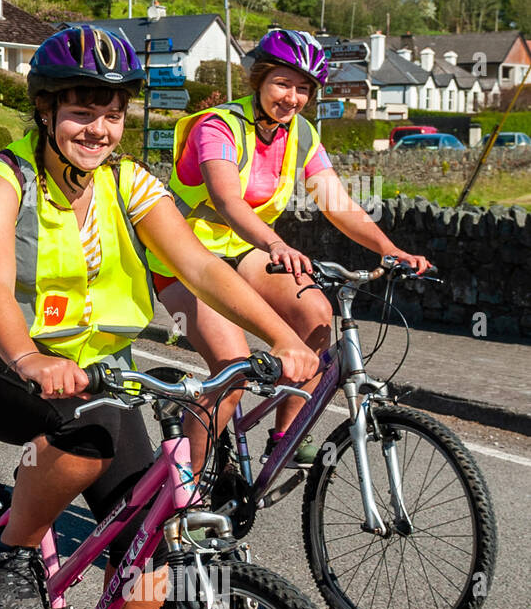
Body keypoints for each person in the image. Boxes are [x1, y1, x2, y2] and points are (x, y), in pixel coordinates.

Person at [0, 27, 318, 609]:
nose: (99, 127)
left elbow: (204, 269)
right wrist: (26, 356)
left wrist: (284, 338)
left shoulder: (130, 184)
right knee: (88, 435)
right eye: (81, 109)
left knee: (150, 542)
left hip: (95, 371)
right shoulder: (1, 181)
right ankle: (11, 552)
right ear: (45, 110)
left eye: (111, 111)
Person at [148, 29, 431, 472]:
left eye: (304, 89)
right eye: (283, 83)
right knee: (233, 367)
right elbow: (227, 200)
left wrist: (390, 249)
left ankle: (285, 437)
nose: (293, 97)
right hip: (182, 258)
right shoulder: (218, 126)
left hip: (243, 253)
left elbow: (337, 203)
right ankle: (182, 485)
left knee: (316, 317)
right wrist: (278, 243)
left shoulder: (301, 134)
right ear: (258, 80)